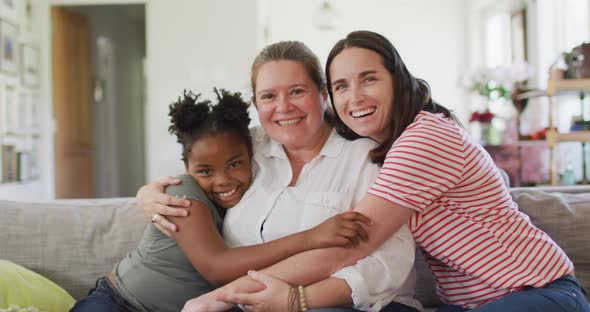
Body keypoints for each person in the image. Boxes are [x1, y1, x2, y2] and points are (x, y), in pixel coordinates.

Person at [188, 30, 590, 312]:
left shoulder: (421, 139)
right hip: (469, 302)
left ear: (397, 79)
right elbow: (211, 158)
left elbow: (355, 244)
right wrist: (161, 191)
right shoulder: (390, 143)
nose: (355, 97)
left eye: (369, 80)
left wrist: (229, 296)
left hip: (535, 292)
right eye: (342, 85)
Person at [138, 41, 422, 312]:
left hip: (354, 304)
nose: (283, 107)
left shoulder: (367, 156)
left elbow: (389, 261)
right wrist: (149, 193)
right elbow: (201, 170)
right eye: (269, 96)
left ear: (324, 95)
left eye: (297, 91)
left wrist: (298, 300)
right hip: (249, 303)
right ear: (255, 103)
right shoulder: (248, 149)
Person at [70, 88, 373, 312]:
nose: (223, 181)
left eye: (234, 164)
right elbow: (217, 266)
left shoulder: (258, 195)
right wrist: (313, 237)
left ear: (252, 155)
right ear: (186, 167)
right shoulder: (183, 192)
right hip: (120, 302)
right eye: (205, 170)